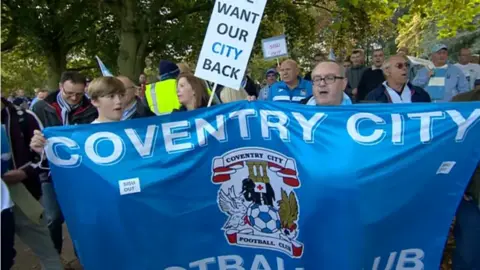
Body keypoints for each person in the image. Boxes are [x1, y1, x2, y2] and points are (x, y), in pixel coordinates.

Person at [31, 71, 96, 255]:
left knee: (82, 217)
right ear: (60, 87)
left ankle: (83, 257)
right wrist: (35, 143)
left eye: (79, 94)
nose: (75, 98)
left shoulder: (91, 108)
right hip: (49, 171)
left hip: (80, 173)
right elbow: (31, 138)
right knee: (53, 216)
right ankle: (53, 258)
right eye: (69, 94)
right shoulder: (41, 108)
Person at [1, 97, 64, 270]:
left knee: (47, 252)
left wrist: (25, 173)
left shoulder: (24, 117)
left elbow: (46, 153)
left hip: (25, 194)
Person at [451, 88, 480, 269]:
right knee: (469, 252)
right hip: (471, 192)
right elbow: (450, 147)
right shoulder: (463, 102)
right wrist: (457, 182)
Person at [366, 55, 431, 103]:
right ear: (387, 71)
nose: (405, 68)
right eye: (399, 66)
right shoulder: (373, 97)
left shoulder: (421, 94)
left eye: (406, 65)